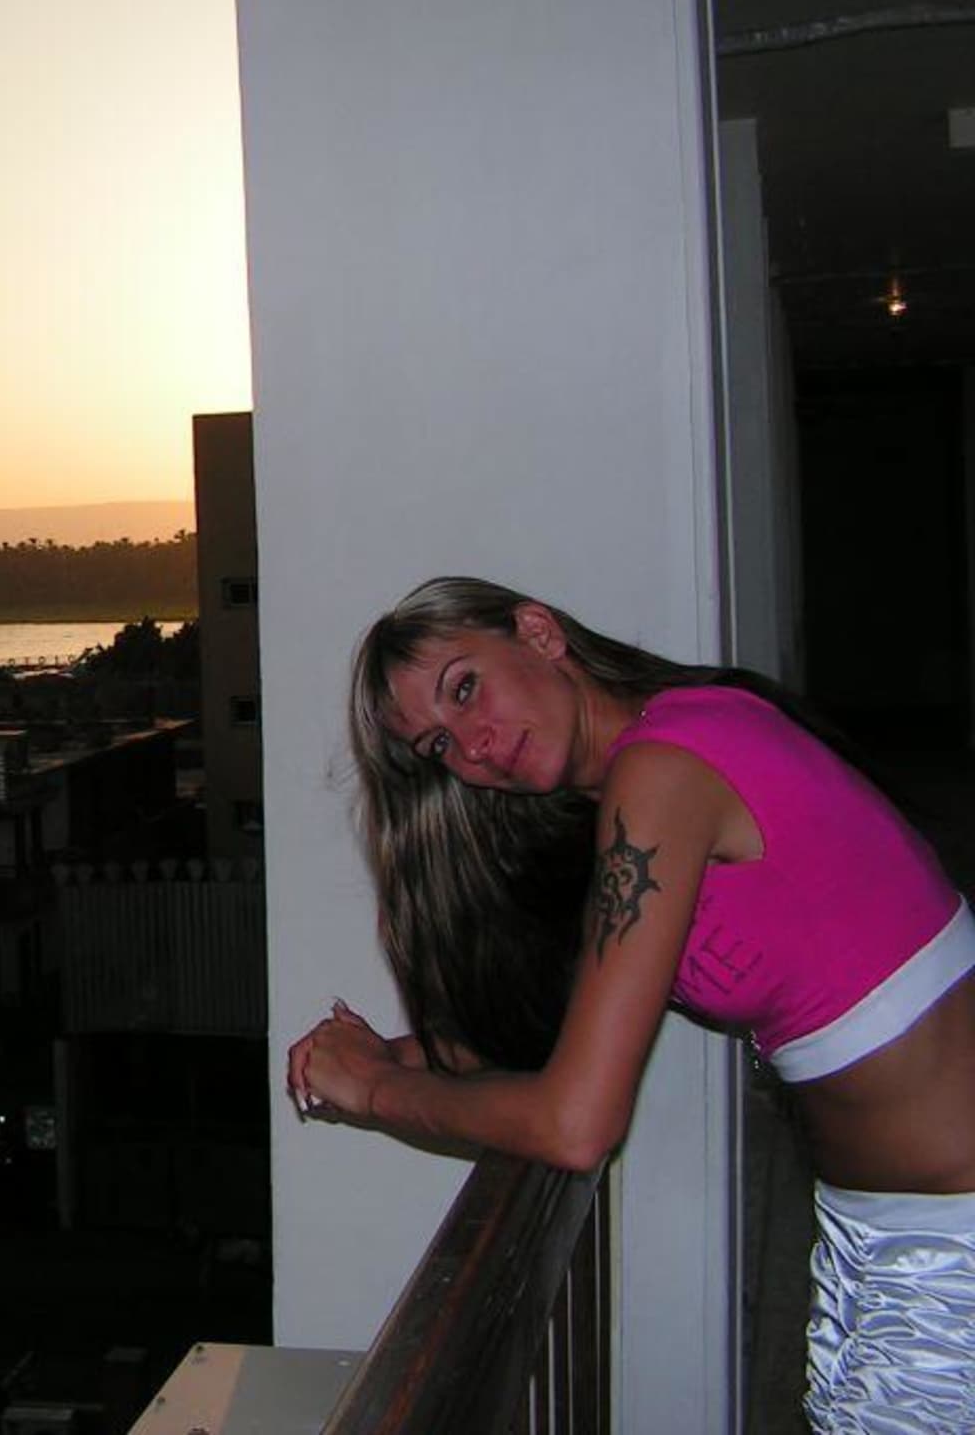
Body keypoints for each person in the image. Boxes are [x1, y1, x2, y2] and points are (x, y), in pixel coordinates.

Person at [285, 577, 975, 1433]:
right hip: (890, 1232)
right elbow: (573, 1030)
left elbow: (576, 1124)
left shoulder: (663, 771)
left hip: (951, 1240)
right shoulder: (655, 763)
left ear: (538, 632)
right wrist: (395, 1053)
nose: (474, 745)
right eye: (438, 745)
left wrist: (374, 1090)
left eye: (465, 688)